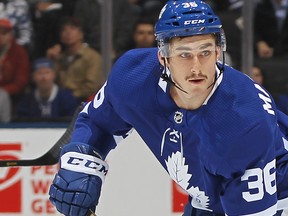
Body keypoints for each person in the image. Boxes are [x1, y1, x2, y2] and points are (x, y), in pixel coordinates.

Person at [49, 1, 288, 215]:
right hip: (209, 198)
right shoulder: (132, 75)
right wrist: (81, 161)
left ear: (218, 51)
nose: (197, 67)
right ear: (163, 57)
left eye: (205, 52)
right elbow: (98, 121)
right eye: (184, 54)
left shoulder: (244, 121)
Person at [46, 17, 104, 102]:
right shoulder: (61, 57)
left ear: (81, 34)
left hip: (84, 101)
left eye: (72, 29)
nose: (68, 33)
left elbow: (92, 86)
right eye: (64, 30)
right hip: (61, 100)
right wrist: (51, 61)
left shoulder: (92, 56)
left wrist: (70, 96)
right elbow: (54, 82)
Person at [0, 18, 30, 110]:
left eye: (4, 33)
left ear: (11, 35)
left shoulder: (19, 52)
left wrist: (4, 91)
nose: (0, 37)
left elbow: (21, 81)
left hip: (12, 97)